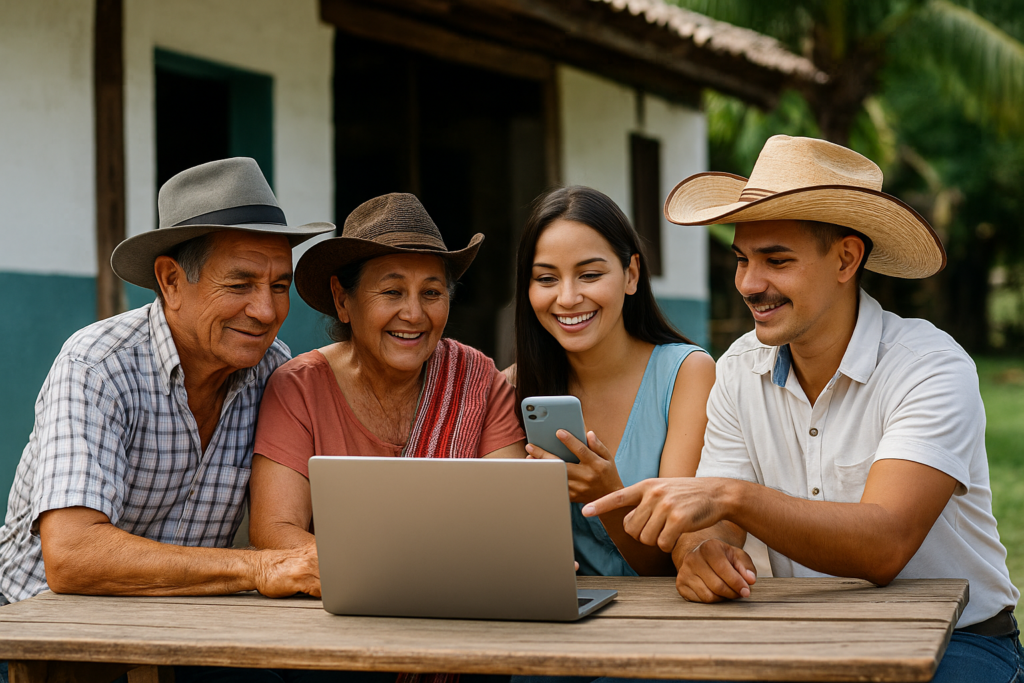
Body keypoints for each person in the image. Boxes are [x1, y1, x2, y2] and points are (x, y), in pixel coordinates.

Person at [584, 135, 1022, 682]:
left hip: (960, 641)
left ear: (846, 258)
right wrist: (704, 556)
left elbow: (883, 545)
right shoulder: (740, 369)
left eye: (776, 261)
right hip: (806, 633)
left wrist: (730, 497)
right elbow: (713, 529)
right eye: (742, 260)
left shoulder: (929, 366)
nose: (749, 283)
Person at [0, 158, 340, 681]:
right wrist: (260, 566)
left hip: (172, 642)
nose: (267, 311)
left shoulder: (275, 371)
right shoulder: (98, 364)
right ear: (170, 281)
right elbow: (71, 556)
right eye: (241, 283)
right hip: (39, 641)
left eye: (278, 286)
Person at [248, 193, 526, 554]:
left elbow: (515, 518)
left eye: (431, 292)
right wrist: (381, 573)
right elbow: (275, 529)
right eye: (392, 292)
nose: (414, 314)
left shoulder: (477, 381)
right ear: (343, 300)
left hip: (460, 597)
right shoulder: (298, 389)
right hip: (337, 598)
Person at [510, 186, 715, 578]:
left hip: (661, 621)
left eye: (590, 274)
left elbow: (676, 558)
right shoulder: (514, 387)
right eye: (546, 278)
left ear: (631, 275)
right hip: (560, 619)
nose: (568, 298)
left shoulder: (687, 374)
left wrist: (608, 495)